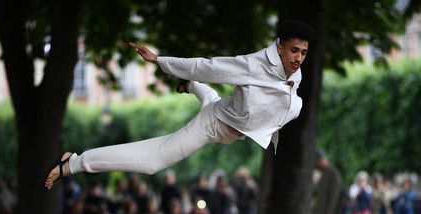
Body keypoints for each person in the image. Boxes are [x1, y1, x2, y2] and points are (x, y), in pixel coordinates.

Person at [44, 20, 316, 190]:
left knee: (212, 99)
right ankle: (74, 163)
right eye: (294, 50)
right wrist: (160, 61)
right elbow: (207, 66)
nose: (299, 58)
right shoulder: (251, 66)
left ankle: (190, 86)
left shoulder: (296, 72)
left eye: (303, 52)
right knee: (153, 161)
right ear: (279, 48)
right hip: (215, 125)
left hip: (233, 117)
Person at [311, 150, 342, 214]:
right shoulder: (323, 173)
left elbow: (335, 195)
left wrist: (330, 212)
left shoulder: (333, 174)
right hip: (319, 210)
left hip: (326, 211)